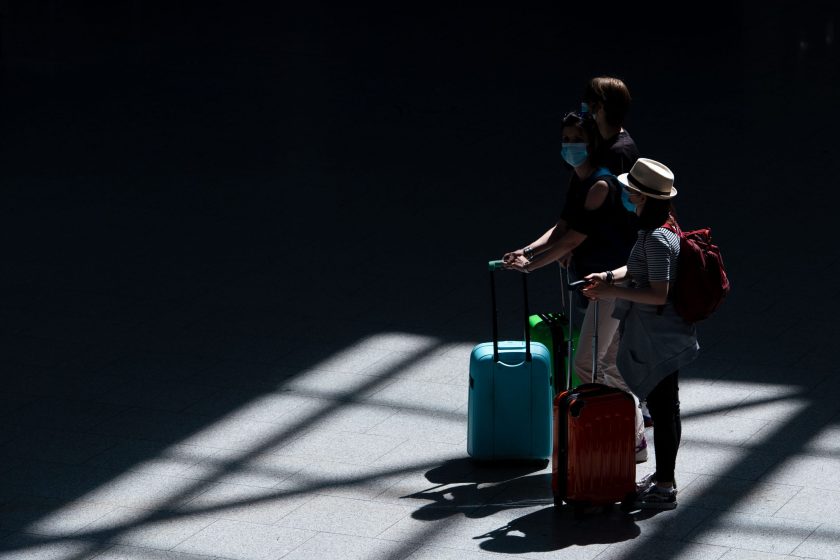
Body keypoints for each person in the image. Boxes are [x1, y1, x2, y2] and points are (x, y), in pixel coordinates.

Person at [502, 111, 647, 462]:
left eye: (577, 141)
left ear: (593, 144)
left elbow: (572, 240)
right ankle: (634, 436)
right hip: (595, 282)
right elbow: (562, 227)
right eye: (565, 140)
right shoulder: (577, 180)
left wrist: (531, 266)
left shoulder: (599, 184)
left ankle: (627, 433)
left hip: (611, 282)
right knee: (609, 364)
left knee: (587, 364)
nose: (570, 147)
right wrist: (526, 251)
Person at [582, 158, 700, 510]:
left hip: (659, 338)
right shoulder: (663, 229)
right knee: (666, 408)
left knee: (665, 412)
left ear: (643, 196)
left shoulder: (656, 239)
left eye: (631, 191)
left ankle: (666, 484)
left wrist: (613, 291)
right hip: (664, 334)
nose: (627, 195)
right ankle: (665, 477)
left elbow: (658, 293)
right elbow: (639, 272)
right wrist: (608, 278)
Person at [581, 76, 640, 175]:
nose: (584, 108)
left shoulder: (619, 153)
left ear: (600, 106)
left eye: (588, 102)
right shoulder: (606, 141)